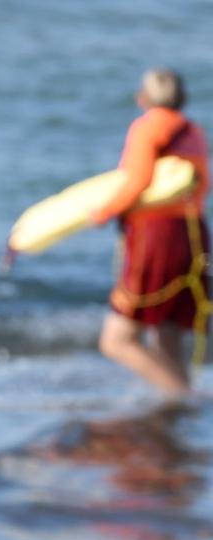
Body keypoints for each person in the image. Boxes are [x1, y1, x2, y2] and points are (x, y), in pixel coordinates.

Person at [91, 67, 210, 395]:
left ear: (142, 98)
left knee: (116, 340)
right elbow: (203, 186)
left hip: (155, 237)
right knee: (168, 330)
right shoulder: (193, 133)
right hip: (193, 234)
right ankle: (177, 411)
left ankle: (182, 398)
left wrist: (103, 212)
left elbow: (138, 180)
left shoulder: (147, 128)